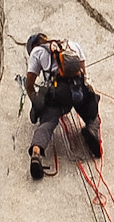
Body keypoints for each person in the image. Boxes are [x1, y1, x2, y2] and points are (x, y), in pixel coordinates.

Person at [25, 32, 102, 180]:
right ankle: (92, 130)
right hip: (78, 90)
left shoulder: (37, 51)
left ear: (33, 45)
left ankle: (36, 152)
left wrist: (37, 103)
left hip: (58, 93)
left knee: (48, 121)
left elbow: (29, 85)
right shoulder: (71, 45)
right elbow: (84, 74)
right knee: (91, 109)